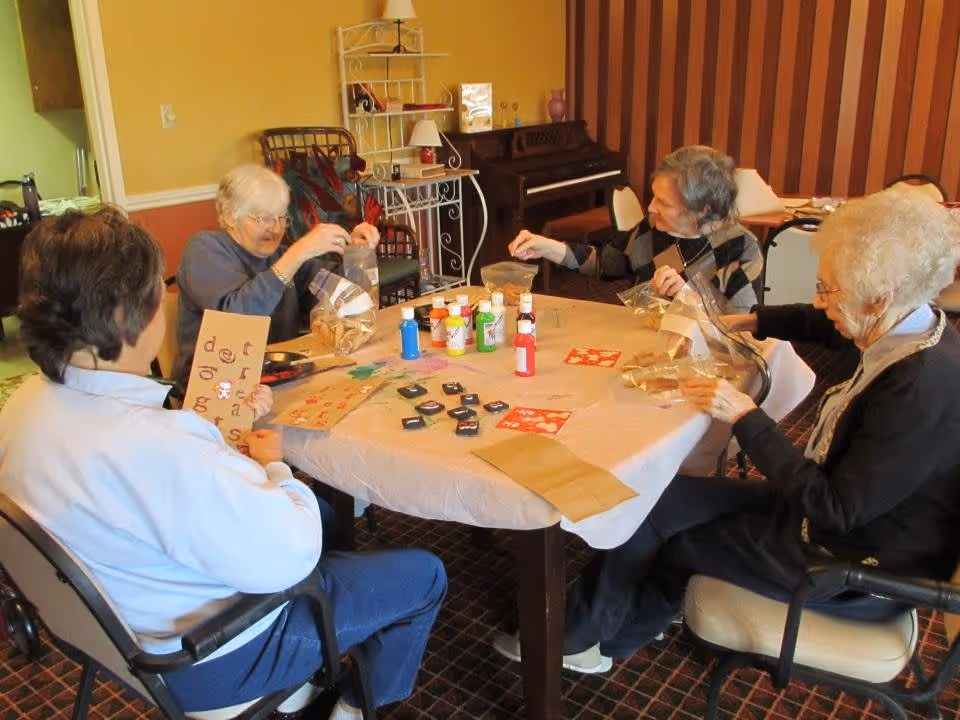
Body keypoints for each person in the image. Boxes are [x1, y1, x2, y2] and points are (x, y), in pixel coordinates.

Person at [0, 208, 446, 720]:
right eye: (155, 295)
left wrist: (211, 448)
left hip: (112, 633)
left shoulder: (21, 407)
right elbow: (292, 553)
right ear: (126, 317)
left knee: (323, 517)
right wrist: (274, 467)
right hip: (214, 658)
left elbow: (143, 483)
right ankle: (348, 707)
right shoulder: (157, 447)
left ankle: (312, 666)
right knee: (424, 575)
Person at [495, 187, 960, 672]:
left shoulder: (921, 391)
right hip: (825, 517)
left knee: (682, 543)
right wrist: (751, 318)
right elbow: (823, 323)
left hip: (850, 565)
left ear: (880, 297)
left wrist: (745, 417)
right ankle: (591, 634)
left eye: (829, 290)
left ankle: (599, 642)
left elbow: (834, 507)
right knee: (659, 501)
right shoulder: (909, 323)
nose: (821, 302)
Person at [173, 164, 381, 383]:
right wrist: (297, 253)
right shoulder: (205, 249)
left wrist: (356, 254)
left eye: (282, 217)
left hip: (277, 380)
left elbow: (340, 297)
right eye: (265, 218)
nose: (276, 229)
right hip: (215, 387)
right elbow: (236, 323)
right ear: (230, 216)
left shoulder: (279, 255)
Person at [509, 145, 763, 311]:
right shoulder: (653, 229)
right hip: (646, 349)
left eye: (664, 203)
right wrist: (546, 246)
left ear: (702, 209)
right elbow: (604, 263)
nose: (650, 208)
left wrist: (689, 299)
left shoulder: (741, 248)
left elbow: (742, 332)